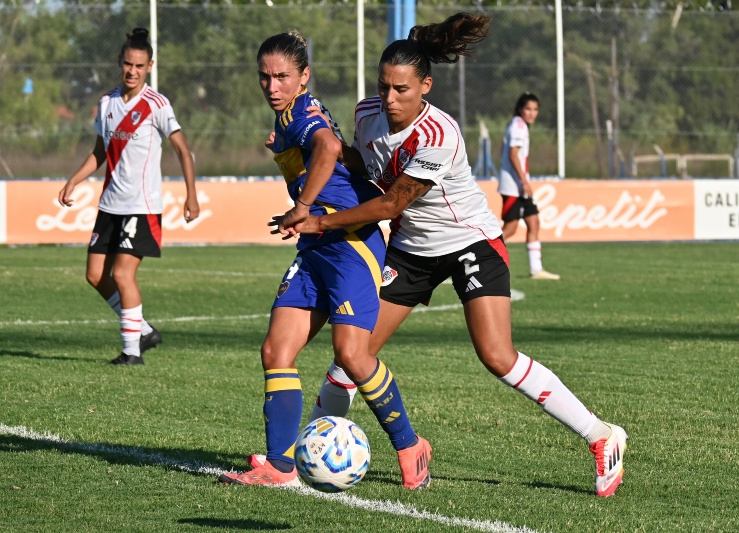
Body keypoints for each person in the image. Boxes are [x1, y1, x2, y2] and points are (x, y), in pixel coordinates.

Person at [275, 13, 627, 497]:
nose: (390, 98)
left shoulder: (439, 135)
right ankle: (305, 455)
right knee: (354, 353)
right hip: (411, 250)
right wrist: (316, 151)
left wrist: (319, 219)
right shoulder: (366, 112)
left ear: (425, 86)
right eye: (384, 86)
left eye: (401, 89)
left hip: (468, 244)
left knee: (497, 356)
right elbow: (364, 167)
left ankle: (601, 436)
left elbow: (392, 200)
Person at [218, 30, 431, 490]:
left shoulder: (301, 113)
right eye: (265, 77)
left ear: (303, 77)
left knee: (353, 356)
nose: (272, 86)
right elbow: (341, 152)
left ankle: (410, 444)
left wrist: (303, 206)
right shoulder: (290, 116)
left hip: (349, 243)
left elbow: (329, 148)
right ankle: (279, 465)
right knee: (277, 351)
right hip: (316, 246)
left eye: (282, 77)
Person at [58, 28, 199, 365]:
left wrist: (191, 196)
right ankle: (144, 330)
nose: (132, 71)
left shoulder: (157, 105)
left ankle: (131, 352)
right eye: (127, 64)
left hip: (142, 206)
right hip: (109, 205)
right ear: (120, 63)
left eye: (139, 65)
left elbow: (182, 150)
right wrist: (74, 180)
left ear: (149, 66)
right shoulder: (106, 103)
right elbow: (99, 152)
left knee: (122, 274)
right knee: (95, 275)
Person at [498, 92, 560, 280]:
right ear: (520, 109)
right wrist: (524, 182)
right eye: (528, 109)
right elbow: (513, 154)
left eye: (535, 109)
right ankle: (470, 256)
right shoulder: (518, 125)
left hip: (519, 187)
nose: (532, 113)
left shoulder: (520, 125)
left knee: (534, 222)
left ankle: (536, 269)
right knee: (510, 229)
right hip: (514, 188)